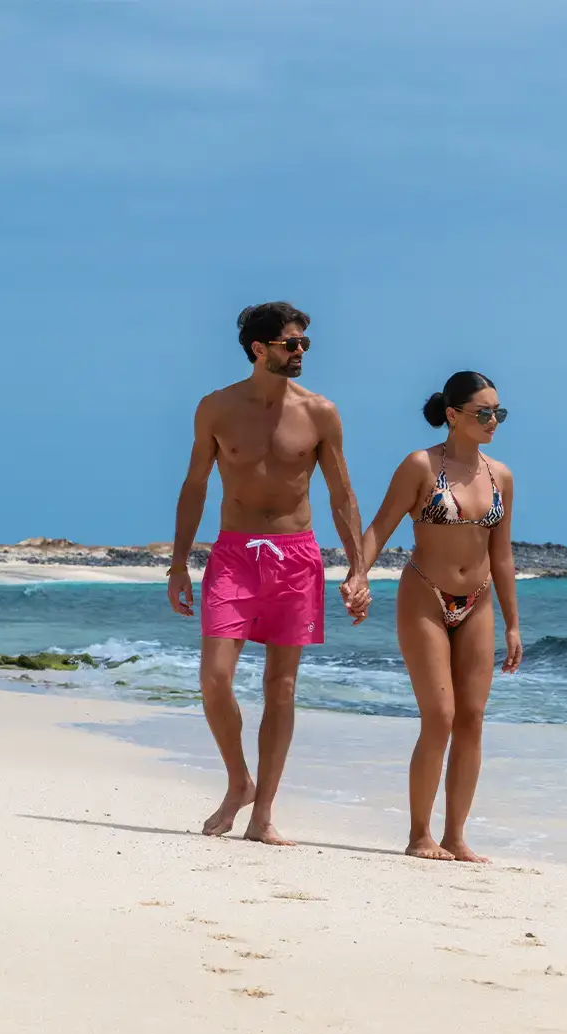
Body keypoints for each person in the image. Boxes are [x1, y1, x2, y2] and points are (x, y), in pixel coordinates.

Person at [168, 302, 371, 846]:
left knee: (280, 688)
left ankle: (264, 816)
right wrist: (178, 562)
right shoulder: (216, 408)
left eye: (304, 343)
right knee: (214, 678)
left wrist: (358, 569)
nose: (300, 351)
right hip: (232, 554)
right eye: (290, 343)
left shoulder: (320, 412)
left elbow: (341, 493)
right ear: (259, 349)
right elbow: (195, 486)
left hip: (296, 557)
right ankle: (239, 782)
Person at [353, 371, 522, 862]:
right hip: (425, 594)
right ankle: (419, 835)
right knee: (440, 716)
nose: (493, 421)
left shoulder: (500, 476)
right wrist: (358, 575)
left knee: (472, 718)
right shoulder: (421, 466)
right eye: (483, 412)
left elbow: (504, 555)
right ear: (453, 415)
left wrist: (513, 624)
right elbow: (380, 526)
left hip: (480, 600)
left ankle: (456, 836)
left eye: (499, 412)